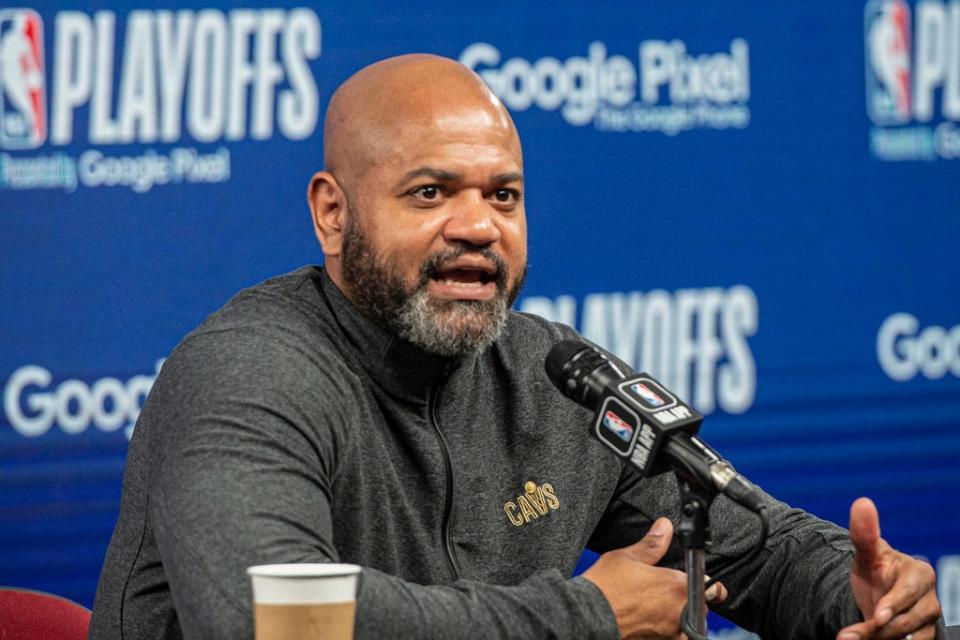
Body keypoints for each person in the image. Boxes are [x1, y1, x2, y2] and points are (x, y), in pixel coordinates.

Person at [89, 54, 943, 639]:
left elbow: (746, 546)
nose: (477, 226)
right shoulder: (246, 373)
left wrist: (862, 591)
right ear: (333, 213)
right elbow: (266, 618)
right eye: (430, 193)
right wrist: (585, 620)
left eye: (504, 194)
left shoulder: (551, 371)